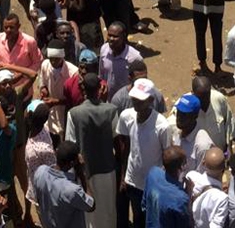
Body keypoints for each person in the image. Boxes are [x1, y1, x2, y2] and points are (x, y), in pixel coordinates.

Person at [114, 77, 173, 227]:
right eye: (134, 98)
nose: (136, 102)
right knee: (138, 218)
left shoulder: (162, 126)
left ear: (151, 100)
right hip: (133, 180)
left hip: (153, 185)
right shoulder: (126, 116)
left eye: (140, 100)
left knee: (152, 220)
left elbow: (167, 157)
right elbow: (125, 148)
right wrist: (123, 177)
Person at [65, 73, 119, 228]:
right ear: (99, 88)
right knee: (108, 209)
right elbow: (117, 141)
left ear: (83, 89)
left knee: (89, 213)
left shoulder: (74, 113)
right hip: (108, 169)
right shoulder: (111, 110)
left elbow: (71, 146)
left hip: (85, 172)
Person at [33, 140, 96, 228]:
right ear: (72, 163)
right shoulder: (72, 190)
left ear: (56, 153)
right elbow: (91, 206)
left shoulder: (40, 172)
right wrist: (82, 173)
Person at [142, 146, 191, 227]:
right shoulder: (180, 198)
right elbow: (186, 224)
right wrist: (189, 193)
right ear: (181, 167)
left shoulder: (153, 173)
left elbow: (144, 205)